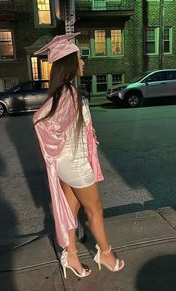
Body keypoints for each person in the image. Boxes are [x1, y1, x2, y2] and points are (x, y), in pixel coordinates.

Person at [33, 33, 124, 278]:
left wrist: (56, 151)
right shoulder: (70, 93)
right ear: (70, 62)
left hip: (65, 164)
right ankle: (104, 253)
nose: (83, 62)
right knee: (95, 209)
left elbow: (46, 120)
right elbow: (41, 122)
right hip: (74, 163)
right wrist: (57, 146)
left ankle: (71, 255)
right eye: (80, 58)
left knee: (70, 210)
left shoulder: (61, 92)